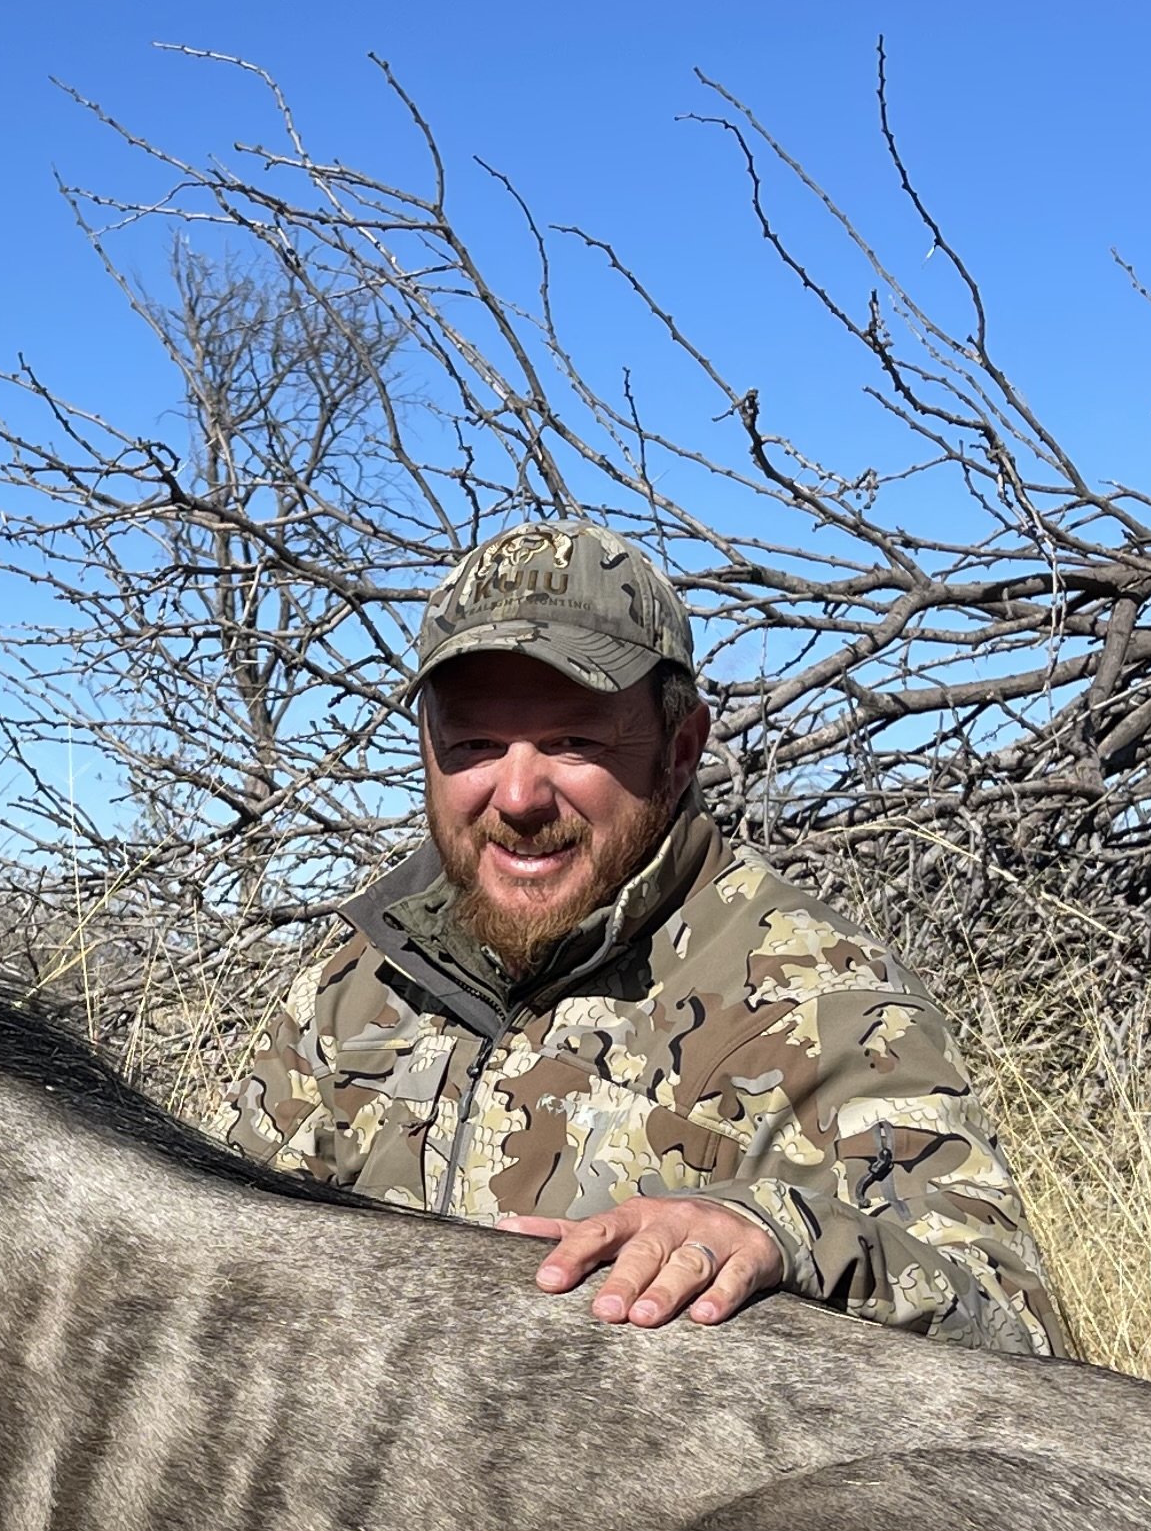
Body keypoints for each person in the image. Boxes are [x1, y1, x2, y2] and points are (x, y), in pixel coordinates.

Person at [225, 518, 1069, 1355]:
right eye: (474, 745)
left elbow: (1018, 1334)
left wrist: (781, 1230)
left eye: (574, 743)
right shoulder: (357, 982)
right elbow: (232, 1259)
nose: (517, 796)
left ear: (680, 749)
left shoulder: (830, 1006)